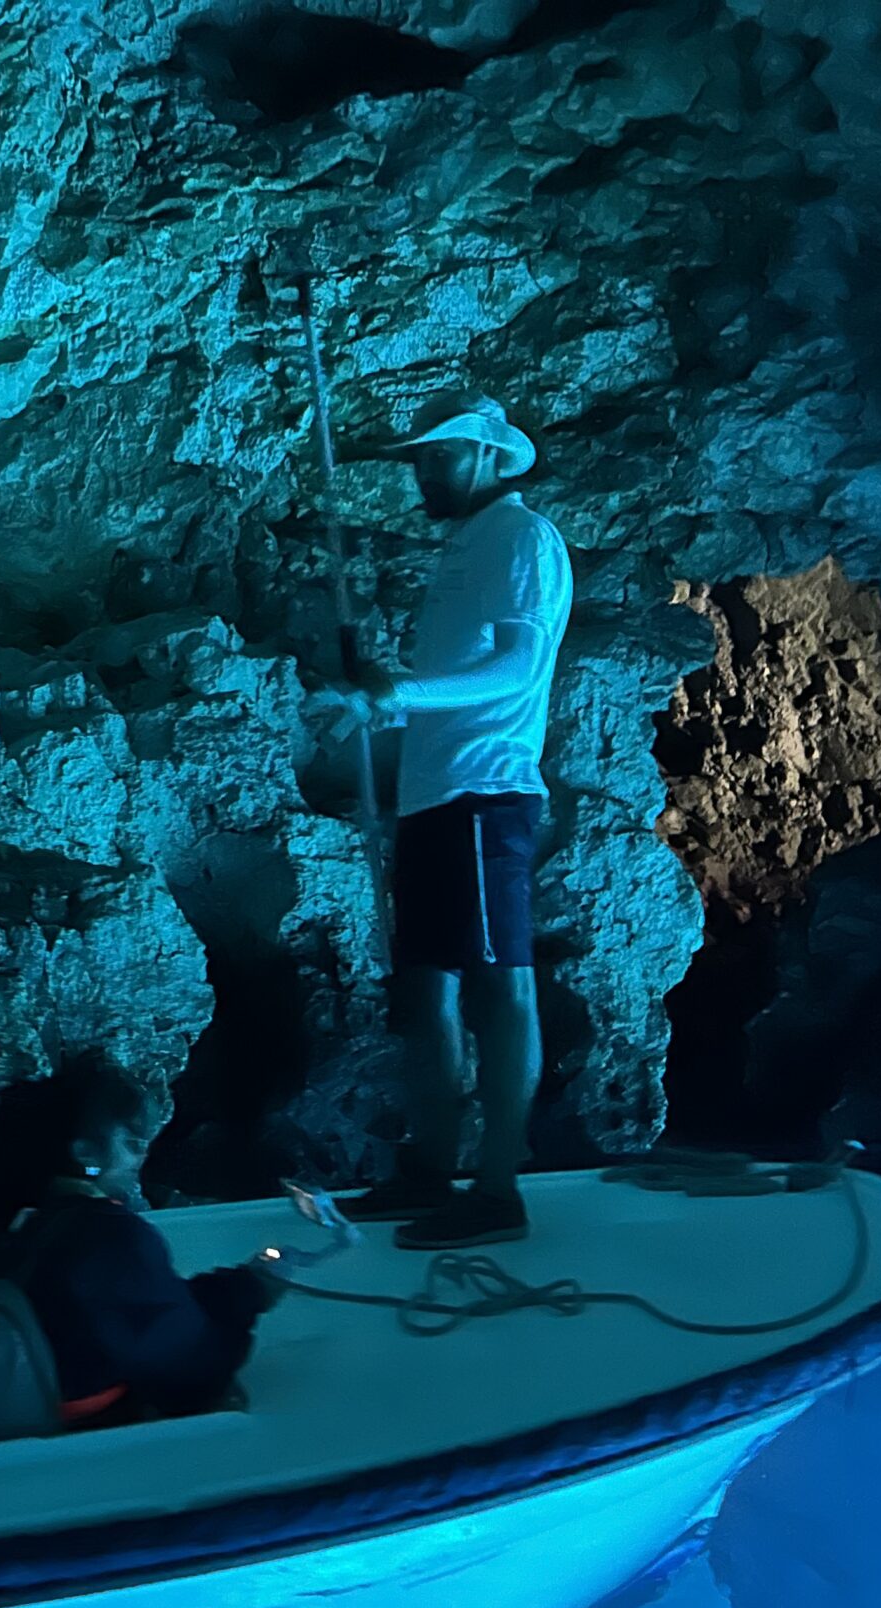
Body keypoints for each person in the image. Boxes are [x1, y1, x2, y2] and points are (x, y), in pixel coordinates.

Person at [313, 391, 574, 1249]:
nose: (426, 469)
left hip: (486, 790)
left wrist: (399, 692)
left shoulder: (522, 538)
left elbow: (518, 666)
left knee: (502, 985)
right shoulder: (467, 545)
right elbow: (450, 677)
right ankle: (430, 1171)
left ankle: (496, 1187)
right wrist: (381, 697)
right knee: (426, 989)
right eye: (421, 457)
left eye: (444, 455)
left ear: (493, 456)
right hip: (429, 797)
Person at [0, 1058, 283, 1428]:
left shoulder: (31, 1225)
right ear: (84, 1153)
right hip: (88, 1427)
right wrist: (254, 1294)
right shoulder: (110, 1238)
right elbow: (189, 1369)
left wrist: (238, 1285)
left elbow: (143, 1309)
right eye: (130, 1142)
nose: (141, 1155)